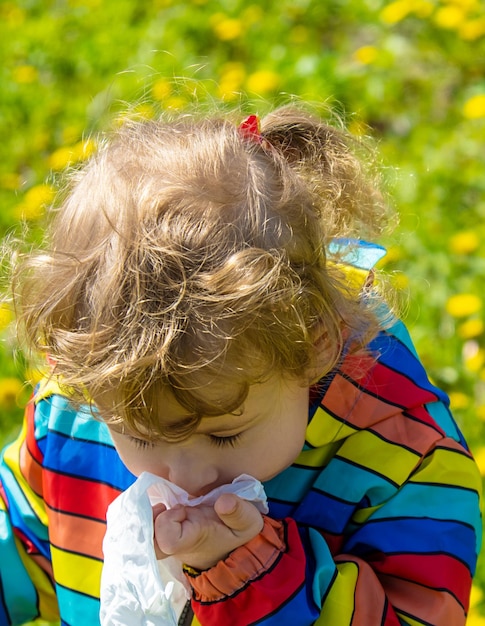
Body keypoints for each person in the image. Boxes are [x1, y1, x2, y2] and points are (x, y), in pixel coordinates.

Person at [0, 104, 481, 626]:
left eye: (226, 436)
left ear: (313, 345)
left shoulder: (402, 463)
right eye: (141, 435)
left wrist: (245, 568)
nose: (189, 478)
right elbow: (22, 542)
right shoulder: (74, 420)